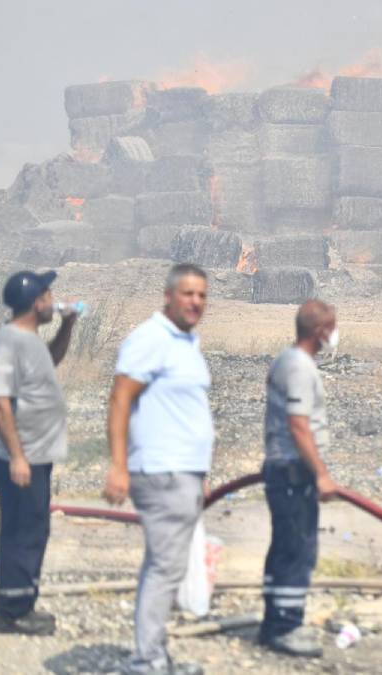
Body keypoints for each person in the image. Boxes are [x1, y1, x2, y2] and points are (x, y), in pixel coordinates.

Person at [103, 263, 214, 675]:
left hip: (182, 473)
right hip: (161, 471)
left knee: (166, 565)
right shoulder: (150, 339)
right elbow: (120, 399)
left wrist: (199, 477)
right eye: (188, 293)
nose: (196, 302)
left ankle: (155, 657)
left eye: (202, 295)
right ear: (168, 296)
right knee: (166, 567)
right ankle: (147, 661)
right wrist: (118, 465)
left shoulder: (185, 342)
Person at [0, 270, 78, 635]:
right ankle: (11, 612)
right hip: (20, 459)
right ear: (35, 302)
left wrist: (68, 326)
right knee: (20, 533)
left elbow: (50, 362)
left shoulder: (31, 340)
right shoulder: (8, 343)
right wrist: (18, 457)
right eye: (49, 296)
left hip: (37, 456)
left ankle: (23, 603)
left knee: (34, 530)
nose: (53, 301)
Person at [258, 300, 344, 657]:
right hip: (294, 473)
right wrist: (321, 474)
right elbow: (298, 425)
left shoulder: (287, 360)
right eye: (333, 327)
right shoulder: (299, 368)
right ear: (320, 331)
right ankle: (285, 627)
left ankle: (274, 621)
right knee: (297, 551)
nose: (335, 334)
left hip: (287, 471)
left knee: (285, 548)